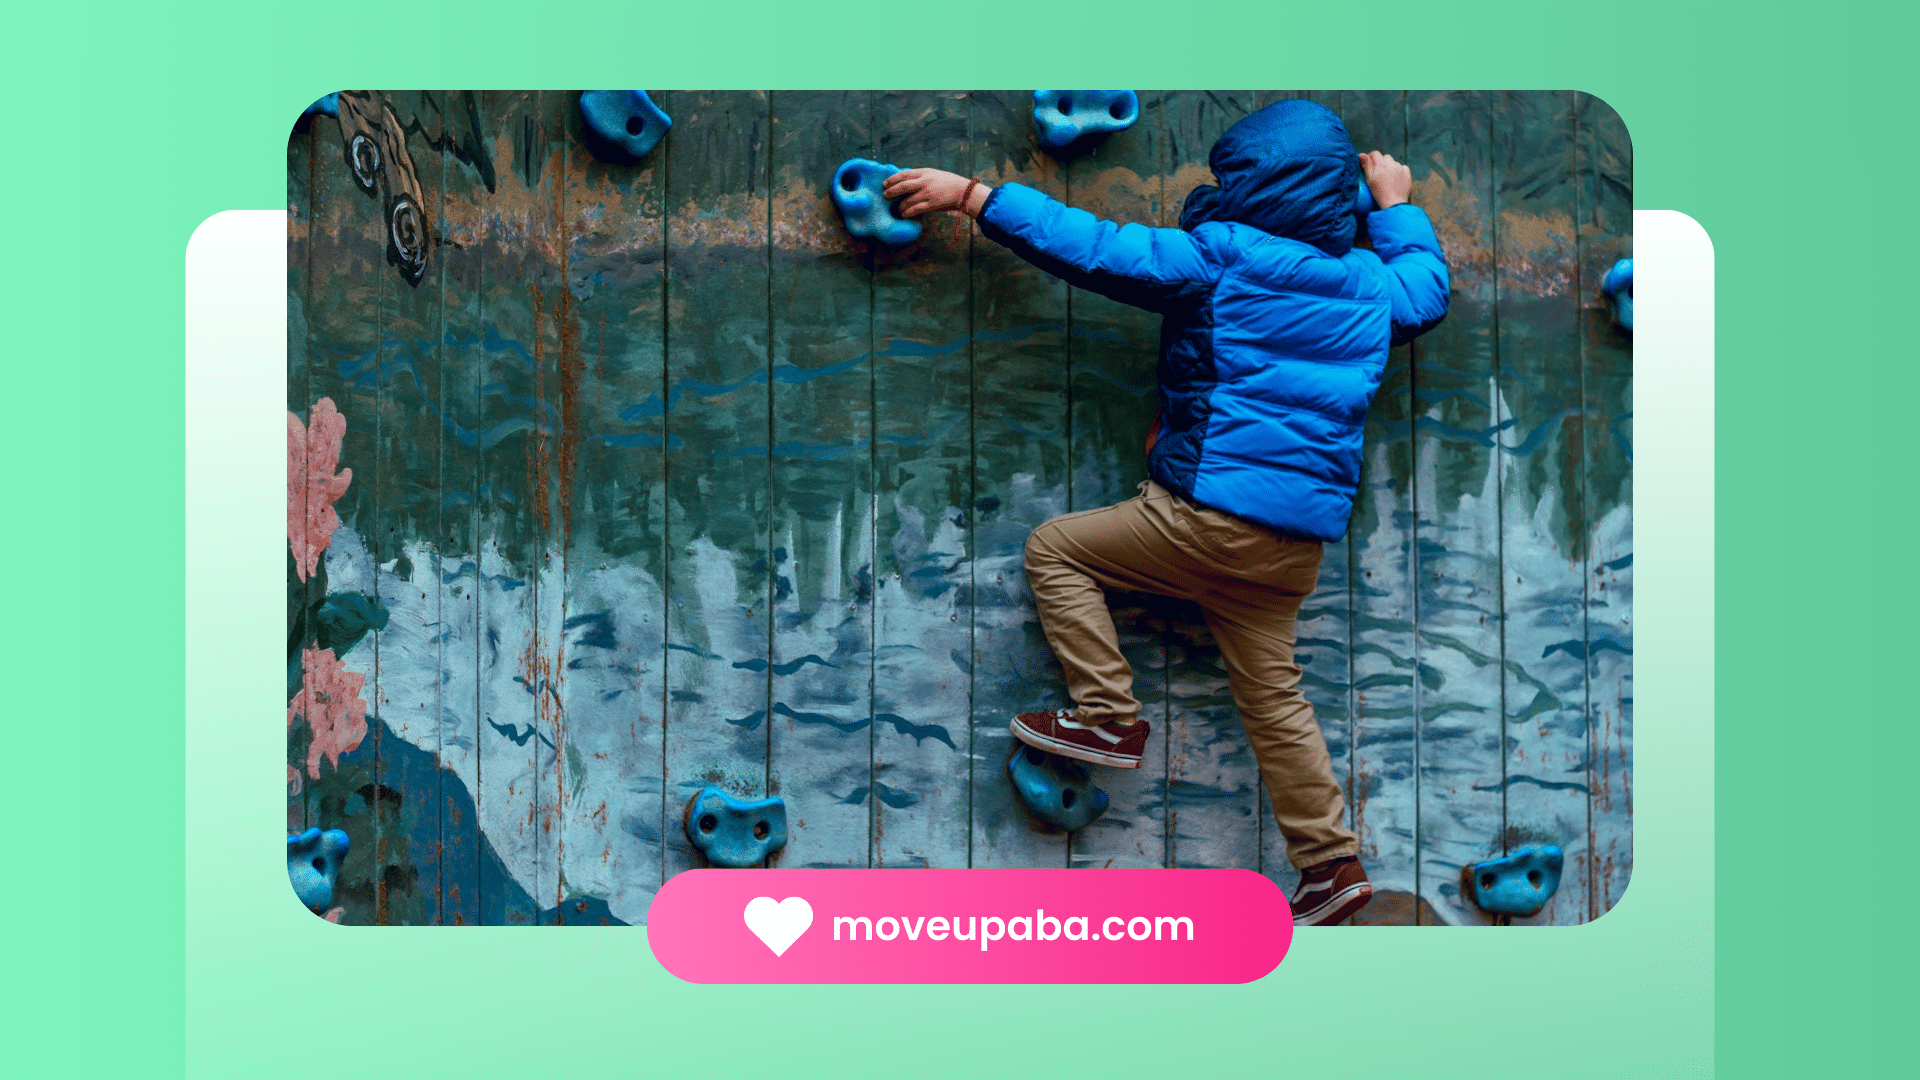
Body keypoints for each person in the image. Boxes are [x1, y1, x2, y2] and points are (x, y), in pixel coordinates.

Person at [883, 100, 1448, 925]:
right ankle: (1331, 866)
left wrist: (974, 196)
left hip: (1202, 518)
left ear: (1247, 186)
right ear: (1337, 196)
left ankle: (1110, 717)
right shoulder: (1372, 286)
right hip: (1293, 549)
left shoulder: (1221, 258)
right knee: (1276, 702)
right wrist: (1394, 207)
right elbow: (1426, 293)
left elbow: (1097, 248)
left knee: (1057, 551)